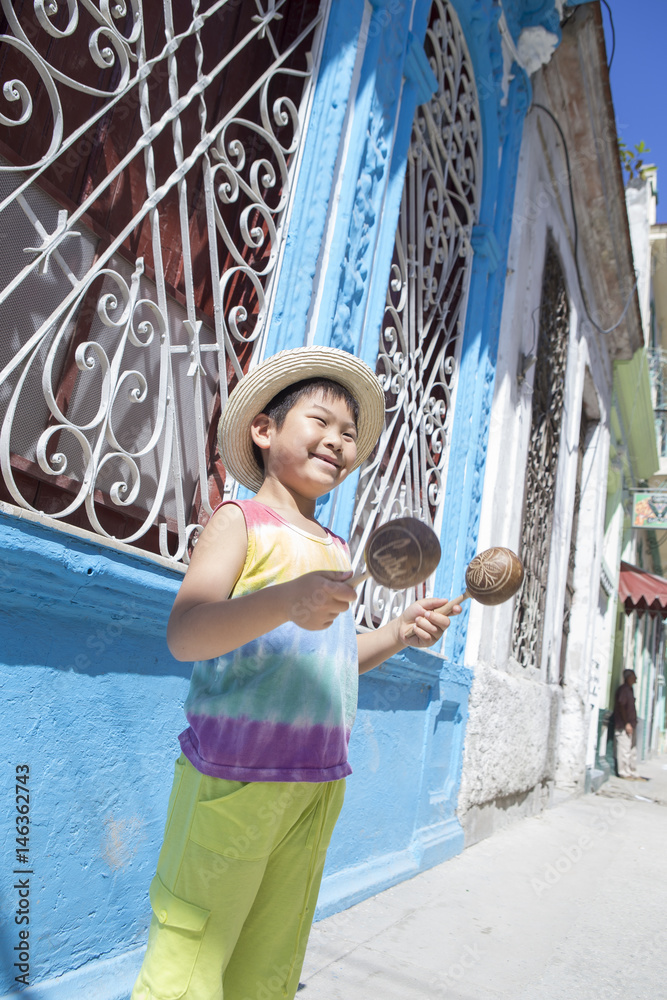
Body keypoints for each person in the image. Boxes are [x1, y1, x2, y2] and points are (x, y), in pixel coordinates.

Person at [130, 346, 461, 1000]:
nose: (338, 443)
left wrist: (396, 633)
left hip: (314, 786)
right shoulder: (239, 521)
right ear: (263, 429)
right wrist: (285, 599)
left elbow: (332, 655)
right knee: (189, 963)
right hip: (232, 779)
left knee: (267, 967)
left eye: (349, 436)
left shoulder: (337, 548)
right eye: (320, 423)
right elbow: (185, 633)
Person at [613, 669, 642, 779]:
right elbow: (621, 706)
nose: (636, 679)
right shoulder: (624, 690)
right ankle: (623, 772)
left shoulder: (630, 690)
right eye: (634, 676)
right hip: (624, 725)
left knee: (631, 750)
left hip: (631, 724)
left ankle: (631, 770)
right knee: (624, 749)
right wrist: (627, 723)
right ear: (628, 678)